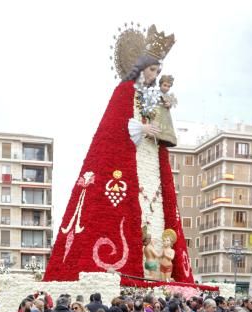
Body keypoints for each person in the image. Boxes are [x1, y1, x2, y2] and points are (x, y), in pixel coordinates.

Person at [43, 28, 194, 285]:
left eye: (157, 72)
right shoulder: (124, 91)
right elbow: (117, 126)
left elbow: (160, 118)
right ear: (140, 68)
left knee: (156, 216)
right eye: (151, 71)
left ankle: (157, 271)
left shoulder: (152, 96)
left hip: (151, 162)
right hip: (129, 161)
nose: (154, 77)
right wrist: (142, 128)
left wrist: (164, 108)